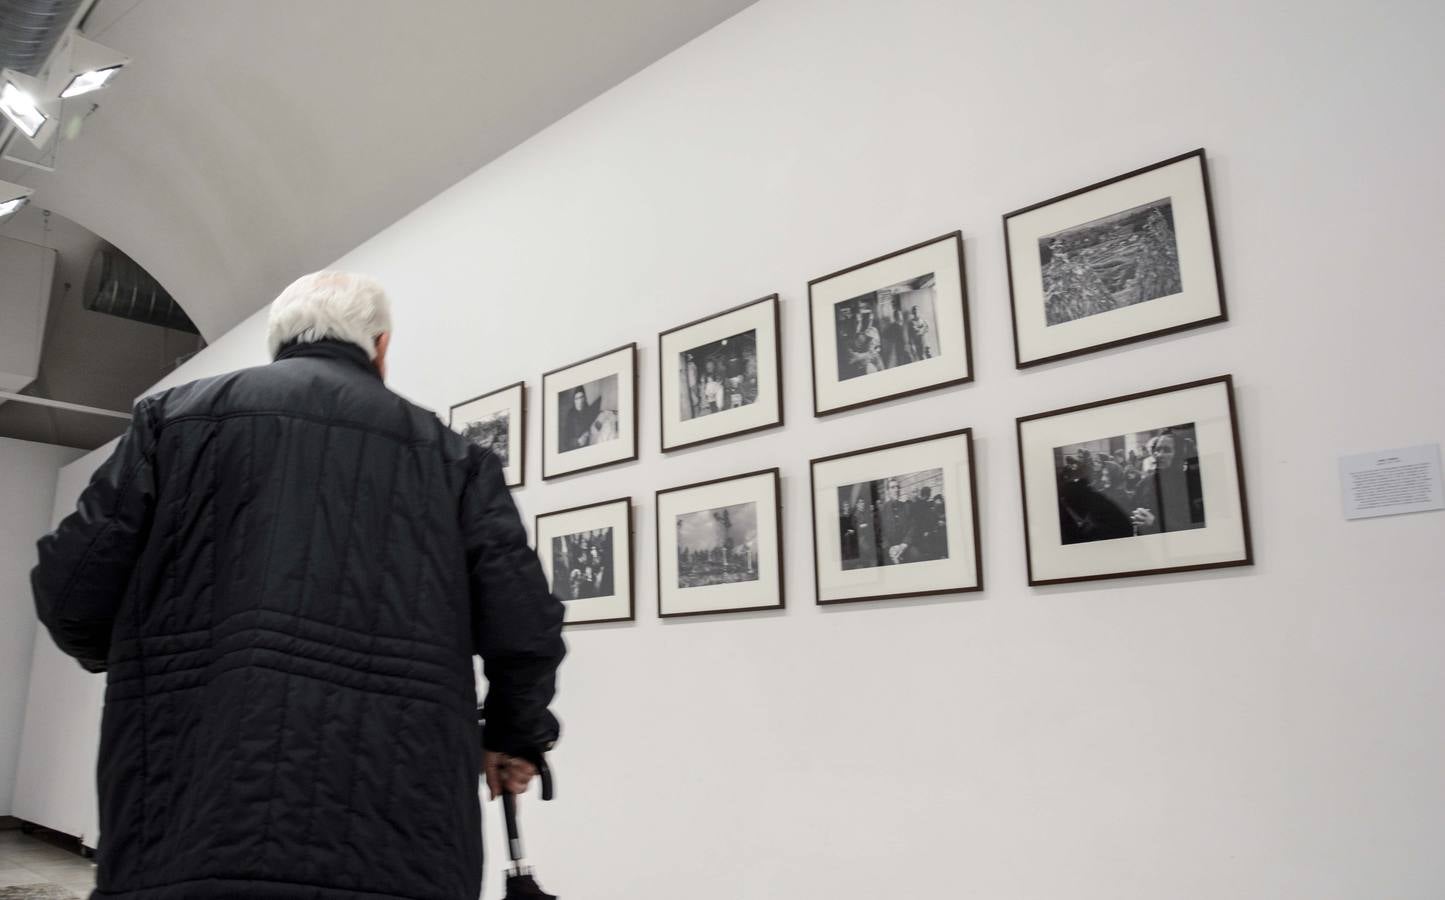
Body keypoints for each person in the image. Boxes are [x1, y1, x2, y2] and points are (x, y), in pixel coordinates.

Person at [31, 271, 566, 900]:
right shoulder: (454, 460)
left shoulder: (173, 423)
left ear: (277, 342)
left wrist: (137, 656)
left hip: (188, 817)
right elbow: (525, 628)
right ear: (381, 346)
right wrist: (514, 735)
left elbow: (70, 590)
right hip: (400, 836)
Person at [1131, 429, 1206, 534]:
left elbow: (1196, 528)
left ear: (1178, 454)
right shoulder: (1144, 483)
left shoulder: (1191, 485)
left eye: (1166, 450)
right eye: (1157, 450)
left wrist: (1154, 522)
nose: (1159, 455)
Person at [561, 386, 601, 450]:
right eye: (576, 398)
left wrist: (588, 432)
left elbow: (595, 422)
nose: (580, 401)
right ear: (574, 401)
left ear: (585, 398)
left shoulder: (589, 410)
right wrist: (578, 441)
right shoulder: (570, 415)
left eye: (581, 397)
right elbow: (566, 440)